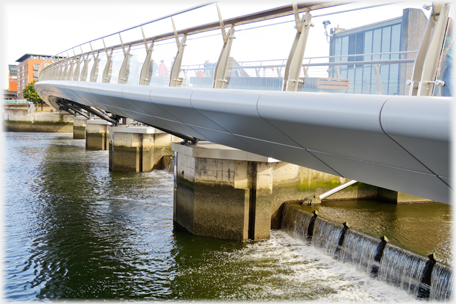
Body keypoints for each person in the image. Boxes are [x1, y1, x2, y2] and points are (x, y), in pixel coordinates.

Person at [437, 18, 453, 96]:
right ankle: (447, 97)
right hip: (452, 60)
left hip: (445, 59)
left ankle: (442, 97)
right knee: (448, 81)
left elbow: (441, 47)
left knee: (441, 81)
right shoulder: (453, 35)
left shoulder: (444, 35)